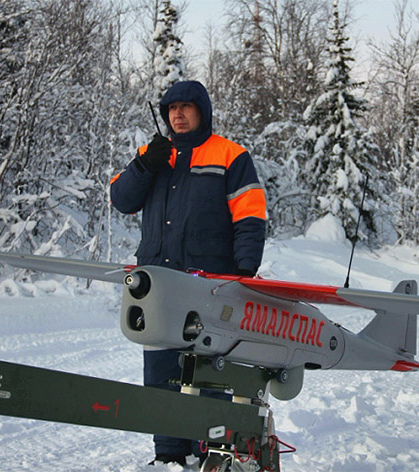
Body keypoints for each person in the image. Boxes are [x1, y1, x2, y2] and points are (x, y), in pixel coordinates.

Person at [110, 80, 267, 466]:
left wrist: (244, 271)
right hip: (158, 284)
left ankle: (209, 451)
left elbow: (250, 216)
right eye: (171, 109)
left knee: (209, 372)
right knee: (160, 372)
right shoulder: (152, 154)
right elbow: (121, 199)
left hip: (209, 286)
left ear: (202, 110)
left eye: (186, 107)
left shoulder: (230, 155)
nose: (177, 115)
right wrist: (145, 165)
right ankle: (168, 455)